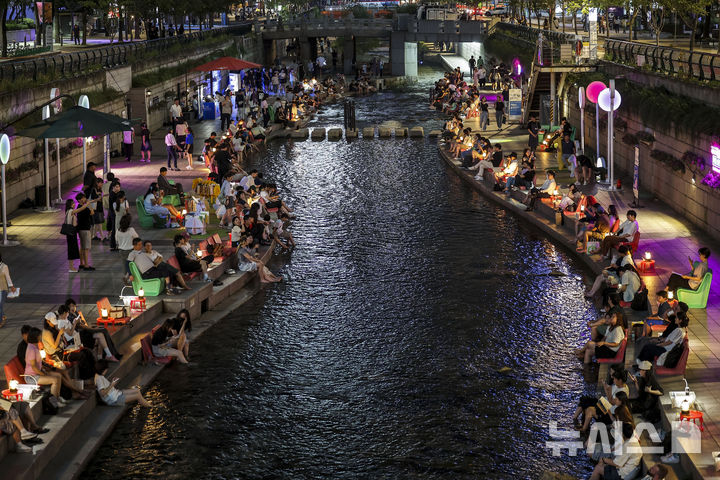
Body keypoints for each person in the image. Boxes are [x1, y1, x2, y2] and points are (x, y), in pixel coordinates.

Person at [24, 328, 64, 402]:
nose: (41, 336)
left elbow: (38, 364)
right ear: (35, 337)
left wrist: (43, 370)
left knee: (58, 376)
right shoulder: (31, 349)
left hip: (37, 373)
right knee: (54, 380)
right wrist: (43, 374)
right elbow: (34, 367)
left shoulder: (35, 346)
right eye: (40, 335)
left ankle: (57, 397)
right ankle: (54, 402)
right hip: (32, 377)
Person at [75, 193, 96, 271]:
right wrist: (89, 204)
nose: (85, 199)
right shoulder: (84, 208)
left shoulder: (79, 207)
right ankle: (86, 265)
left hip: (80, 229)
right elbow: (92, 212)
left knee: (82, 247)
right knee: (86, 248)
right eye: (83, 198)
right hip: (85, 230)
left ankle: (81, 263)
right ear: (80, 200)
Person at [0, 254, 15, 328]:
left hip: (2, 289)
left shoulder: (4, 267)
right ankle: (2, 315)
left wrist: (11, 286)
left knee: (0, 305)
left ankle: (1, 321)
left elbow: (8, 277)